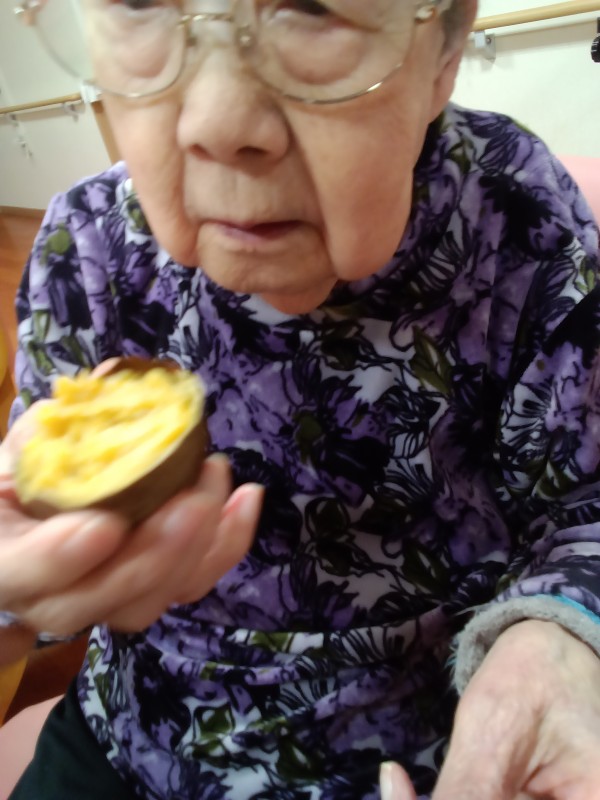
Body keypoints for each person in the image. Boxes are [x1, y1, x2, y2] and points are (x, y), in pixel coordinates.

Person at [2, 0, 600, 797]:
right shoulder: (87, 245)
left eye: (311, 5)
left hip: (431, 742)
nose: (216, 123)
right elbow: (40, 532)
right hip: (139, 731)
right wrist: (18, 596)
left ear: (446, 48)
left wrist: (558, 642)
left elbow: (583, 510)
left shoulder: (516, 213)